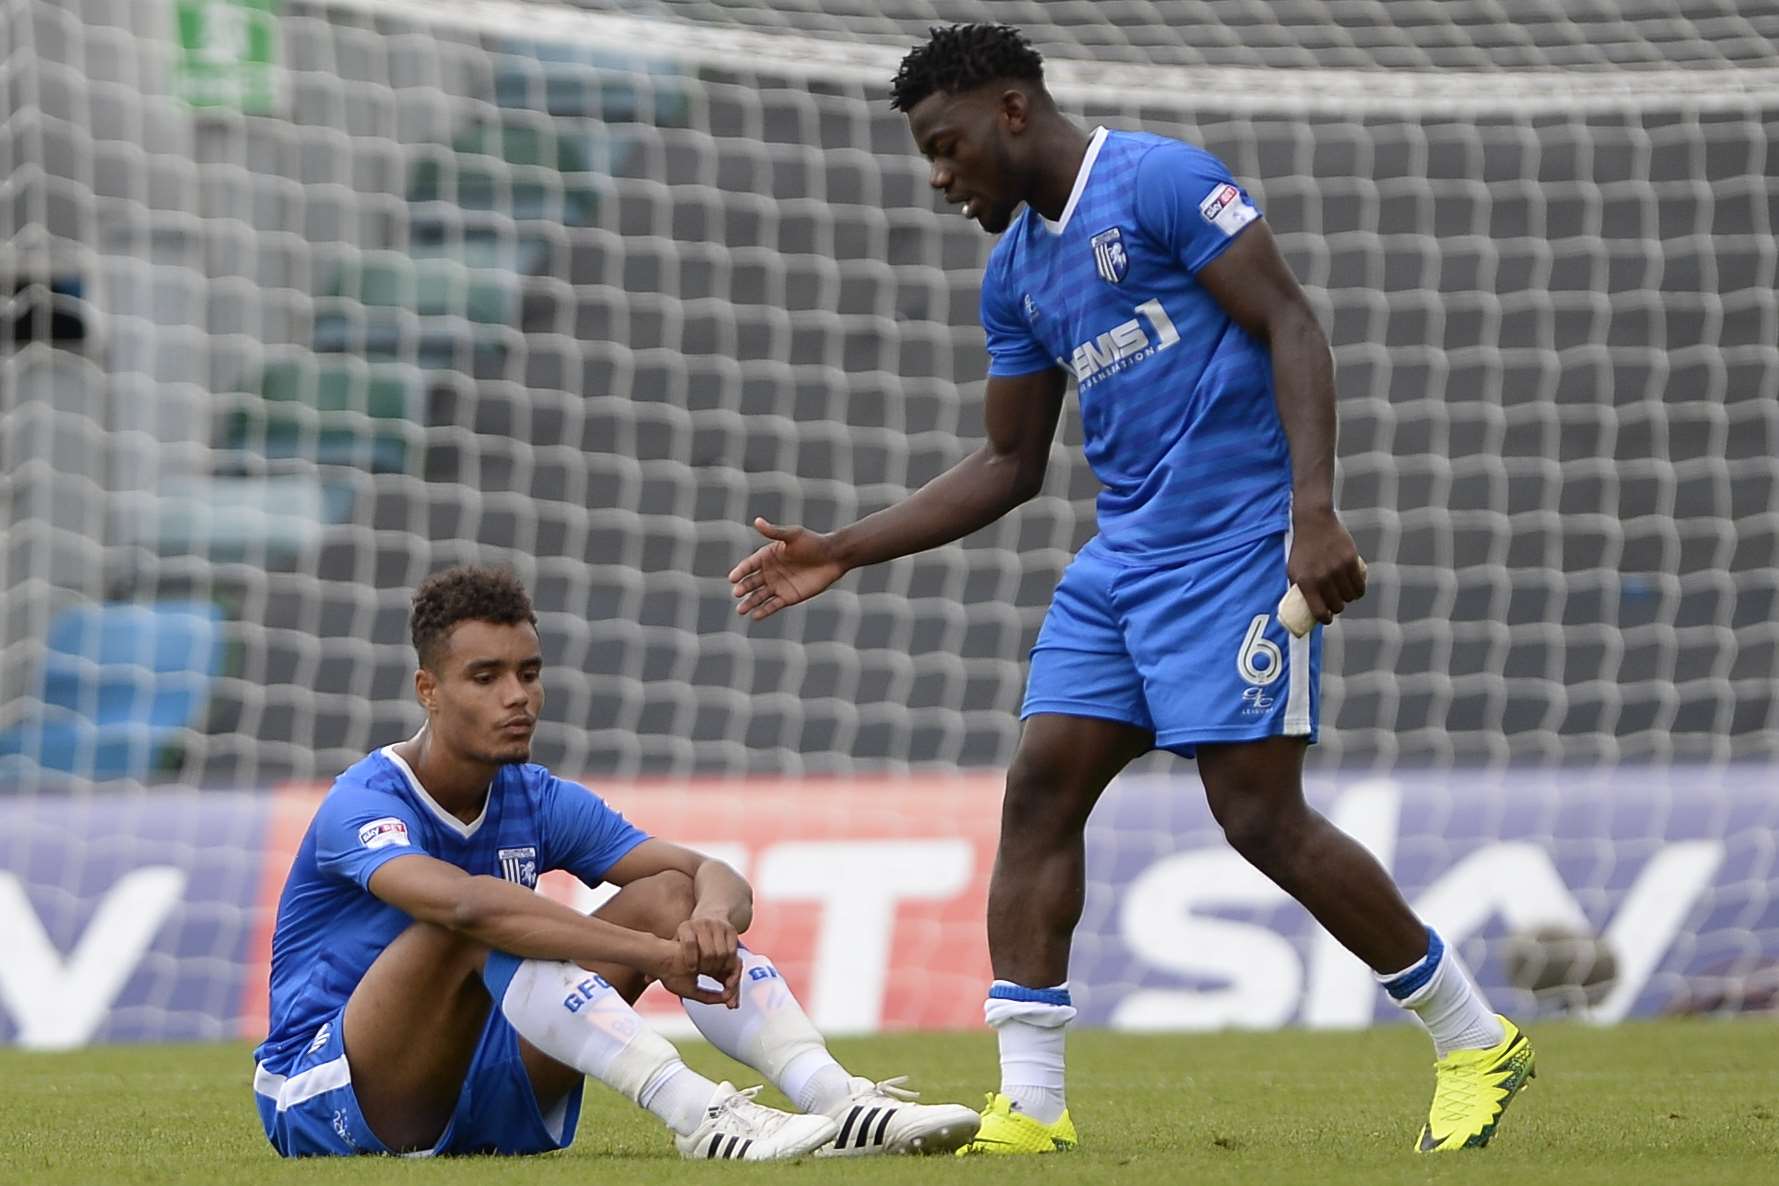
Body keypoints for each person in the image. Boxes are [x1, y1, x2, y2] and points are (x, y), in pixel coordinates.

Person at [728, 23, 1533, 1156]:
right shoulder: (1014, 274)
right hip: (1123, 565)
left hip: (1240, 546)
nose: (939, 178)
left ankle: (1473, 1036)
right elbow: (1010, 464)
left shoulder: (1159, 182)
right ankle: (1032, 1107)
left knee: (1255, 815)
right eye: (928, 158)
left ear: (1012, 110)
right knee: (1040, 787)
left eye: (948, 147)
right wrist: (849, 546)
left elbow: (1289, 323)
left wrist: (1313, 511)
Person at [251, 564, 979, 1160]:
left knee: (668, 893)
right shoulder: (364, 801)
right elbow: (469, 909)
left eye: (529, 672)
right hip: (336, 1090)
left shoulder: (535, 797)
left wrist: (706, 925)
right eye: (486, 677)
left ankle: (836, 1098)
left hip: (485, 1082)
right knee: (477, 922)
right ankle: (700, 1115)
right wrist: (654, 955)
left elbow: (710, 876)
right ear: (428, 691)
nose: (518, 697)